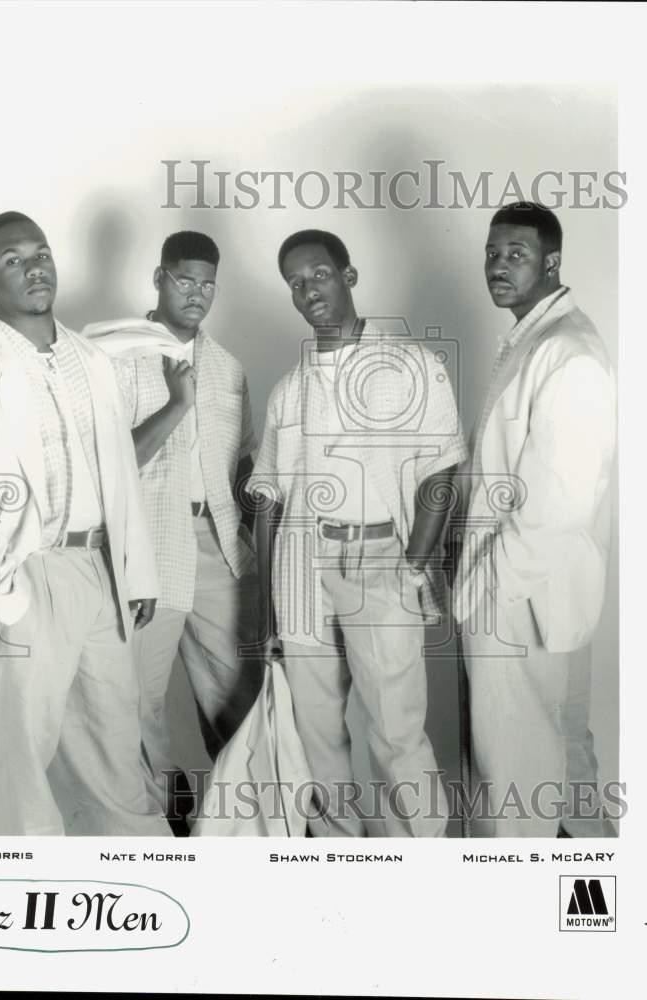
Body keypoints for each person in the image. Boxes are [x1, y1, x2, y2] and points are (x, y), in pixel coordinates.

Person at [0, 211, 169, 837]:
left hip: (99, 570)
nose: (33, 267)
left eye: (41, 253)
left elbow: (117, 471)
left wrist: (133, 572)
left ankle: (148, 885)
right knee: (21, 756)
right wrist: (1, 599)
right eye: (12, 259)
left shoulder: (90, 360)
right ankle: (27, 888)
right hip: (25, 577)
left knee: (116, 746)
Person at [247, 230, 467, 837]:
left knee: (396, 731)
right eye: (295, 282)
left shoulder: (410, 365)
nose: (307, 289)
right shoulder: (289, 391)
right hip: (301, 567)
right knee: (316, 734)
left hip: (381, 558)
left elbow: (441, 469)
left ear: (349, 275)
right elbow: (266, 497)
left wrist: (413, 565)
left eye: (318, 273)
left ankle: (417, 868)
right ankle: (341, 866)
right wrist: (267, 610)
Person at [452, 202, 616, 837]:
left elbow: (556, 509)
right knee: (564, 766)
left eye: (516, 255)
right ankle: (598, 896)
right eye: (492, 254)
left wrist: (480, 591)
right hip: (529, 592)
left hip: (521, 597)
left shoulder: (568, 354)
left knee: (512, 772)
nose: (498, 266)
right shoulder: (534, 339)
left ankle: (514, 916)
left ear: (552, 262)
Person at [112, 231, 262, 831]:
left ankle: (246, 826)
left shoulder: (227, 367)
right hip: (146, 547)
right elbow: (108, 464)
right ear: (158, 277)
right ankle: (168, 827)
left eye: (207, 285)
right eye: (184, 280)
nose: (197, 294)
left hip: (220, 547)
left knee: (241, 696)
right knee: (137, 703)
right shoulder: (115, 358)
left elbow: (242, 462)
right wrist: (174, 406)